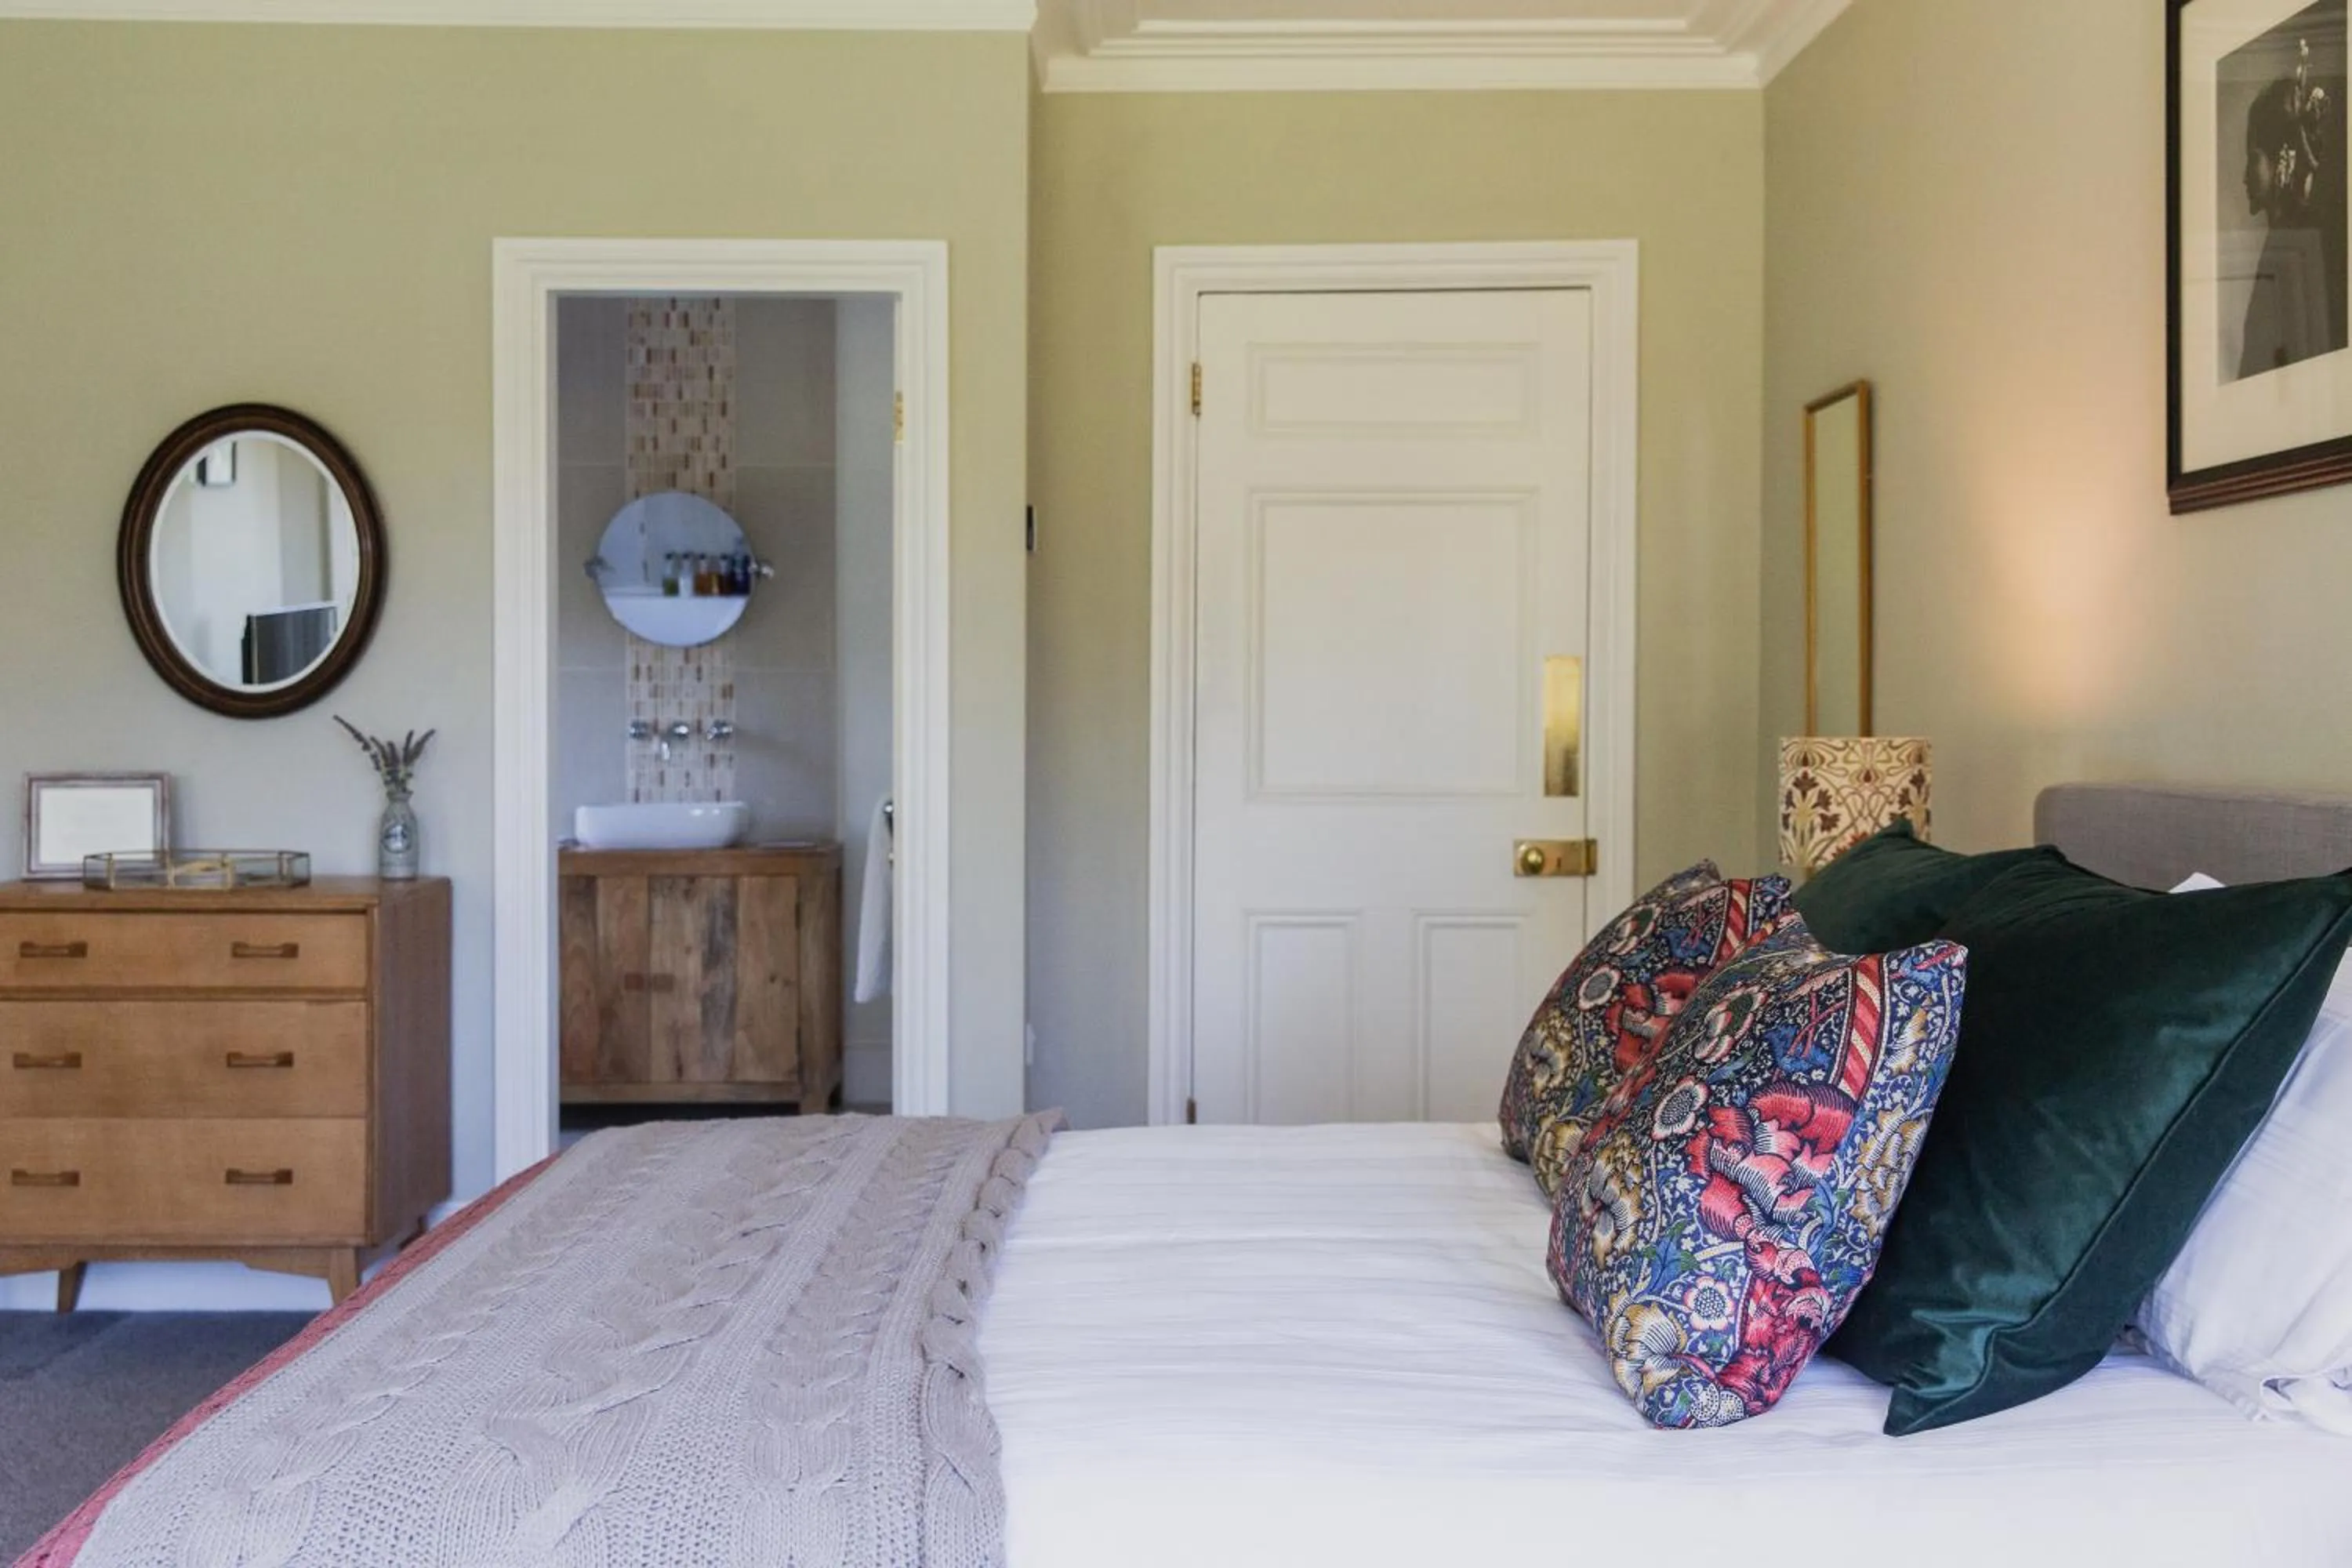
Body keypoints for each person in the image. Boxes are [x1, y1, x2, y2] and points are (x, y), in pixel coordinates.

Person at [2238, 38, 2347, 380]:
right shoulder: (2292, 243)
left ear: (2284, 156)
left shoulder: (2293, 247)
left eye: (2252, 156)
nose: (2244, 176)